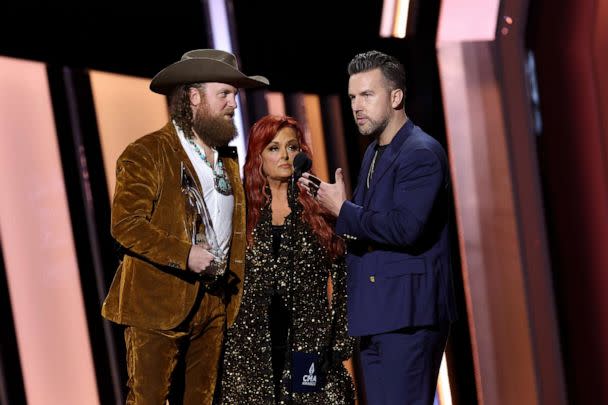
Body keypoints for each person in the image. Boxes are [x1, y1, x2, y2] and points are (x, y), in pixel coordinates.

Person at [101, 49, 268, 404]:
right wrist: (184, 254)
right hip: (157, 303)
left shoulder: (225, 159)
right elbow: (125, 224)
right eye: (224, 94)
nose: (233, 104)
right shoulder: (148, 152)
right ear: (194, 97)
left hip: (213, 305)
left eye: (235, 96)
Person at [299, 50, 458, 404]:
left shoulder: (421, 153)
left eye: (367, 95)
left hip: (409, 315)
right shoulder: (374, 153)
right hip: (376, 315)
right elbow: (367, 226)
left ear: (396, 96)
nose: (357, 105)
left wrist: (344, 209)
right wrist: (331, 212)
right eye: (353, 96)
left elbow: (406, 228)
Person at [219, 115, 356, 404]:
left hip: (309, 349)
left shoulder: (321, 211)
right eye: (273, 147)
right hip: (249, 353)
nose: (284, 155)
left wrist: (339, 344)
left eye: (291, 147)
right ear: (258, 156)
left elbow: (348, 279)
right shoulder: (240, 217)